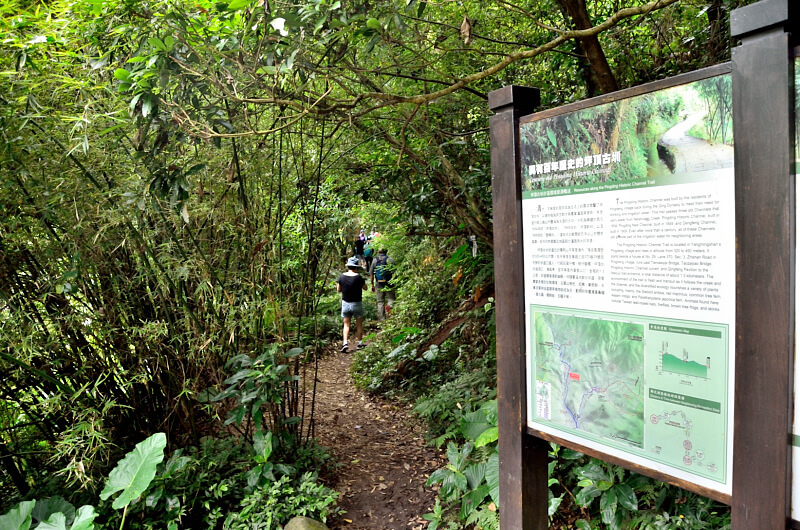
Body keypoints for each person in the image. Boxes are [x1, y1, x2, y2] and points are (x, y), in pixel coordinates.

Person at [337, 256, 367, 352]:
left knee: (346, 325)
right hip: (357, 303)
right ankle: (359, 343)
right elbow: (365, 288)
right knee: (359, 324)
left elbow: (338, 289)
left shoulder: (341, 276)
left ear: (348, 266)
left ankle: (345, 343)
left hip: (345, 303)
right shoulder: (358, 277)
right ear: (356, 267)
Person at [369, 249, 395, 320]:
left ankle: (382, 319)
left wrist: (372, 284)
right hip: (389, 283)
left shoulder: (374, 260)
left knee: (380, 301)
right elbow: (394, 273)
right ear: (386, 252)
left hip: (379, 283)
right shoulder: (390, 260)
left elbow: (371, 274)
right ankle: (390, 311)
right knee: (391, 299)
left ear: (378, 252)